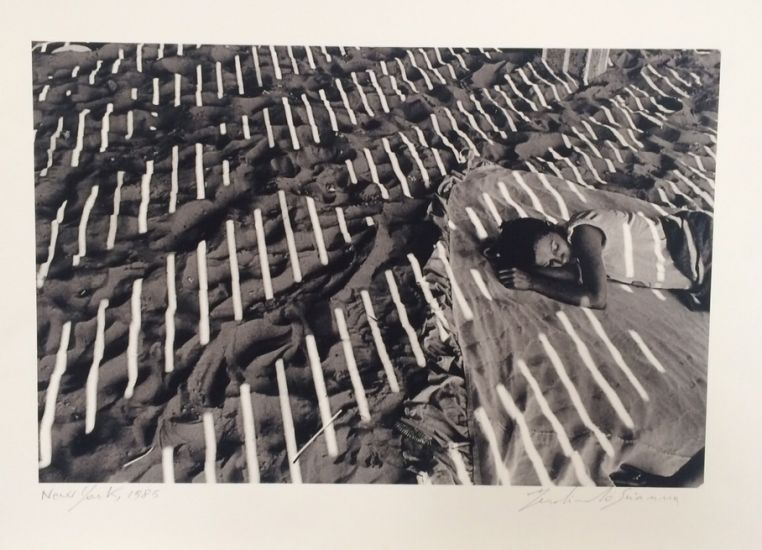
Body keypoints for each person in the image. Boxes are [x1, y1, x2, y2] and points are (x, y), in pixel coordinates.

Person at [483, 209, 713, 310]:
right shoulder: (575, 257)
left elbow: (596, 298)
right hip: (700, 272)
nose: (560, 257)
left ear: (553, 227)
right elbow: (571, 276)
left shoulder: (585, 234)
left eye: (555, 246)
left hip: (697, 242)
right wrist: (523, 268)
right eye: (551, 262)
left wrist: (533, 283)